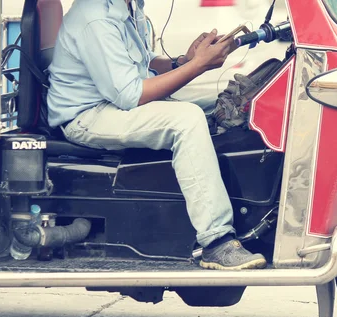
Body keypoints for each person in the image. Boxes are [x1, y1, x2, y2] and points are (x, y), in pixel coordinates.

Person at [47, 0, 267, 271]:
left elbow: (143, 65)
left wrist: (184, 61)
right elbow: (131, 94)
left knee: (225, 103)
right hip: (88, 115)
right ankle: (216, 241)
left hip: (115, 104)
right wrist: (197, 65)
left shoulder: (129, 7)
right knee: (187, 119)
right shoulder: (95, 18)